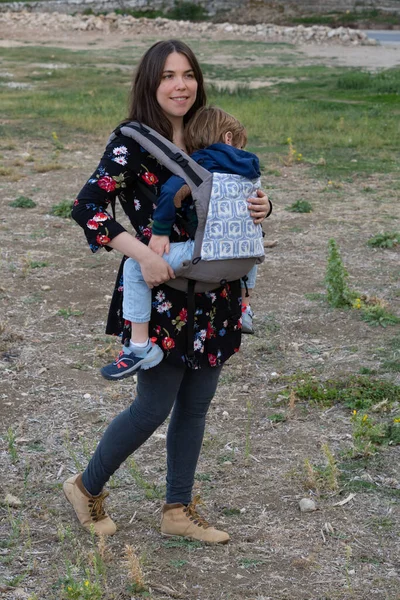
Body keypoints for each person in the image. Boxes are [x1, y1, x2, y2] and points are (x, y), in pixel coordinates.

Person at [64, 39, 271, 544]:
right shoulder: (132, 143)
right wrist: (144, 255)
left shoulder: (209, 136)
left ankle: (176, 510)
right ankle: (85, 486)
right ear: (150, 84)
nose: (180, 85)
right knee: (152, 407)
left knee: (196, 406)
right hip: (162, 290)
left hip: (216, 290)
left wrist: (264, 208)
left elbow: (230, 200)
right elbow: (86, 207)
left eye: (188, 75)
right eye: (168, 76)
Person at [100, 105, 263, 381]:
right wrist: (265, 207)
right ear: (227, 138)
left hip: (203, 253)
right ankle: (245, 308)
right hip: (245, 259)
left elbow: (169, 194)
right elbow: (255, 207)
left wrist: (161, 232)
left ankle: (139, 347)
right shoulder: (249, 166)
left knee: (134, 267)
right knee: (252, 236)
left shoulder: (196, 167)